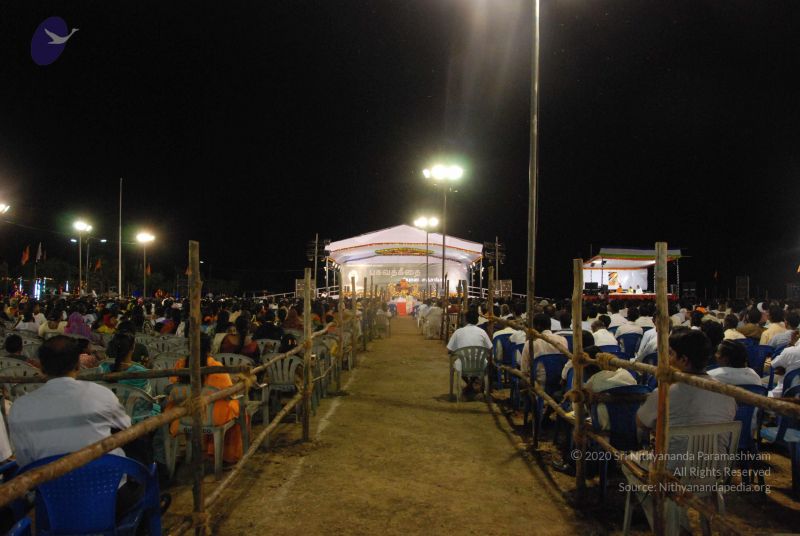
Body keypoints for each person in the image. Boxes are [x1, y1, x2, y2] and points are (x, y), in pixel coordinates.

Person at [625, 329, 736, 534]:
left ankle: (673, 525)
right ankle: (677, 520)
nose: (666, 359)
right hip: (715, 471)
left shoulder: (665, 393)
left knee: (628, 461)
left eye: (671, 354)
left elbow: (640, 422)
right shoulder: (726, 392)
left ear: (683, 360)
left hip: (673, 472)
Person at [167, 335, 244, 463]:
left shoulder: (181, 364)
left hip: (184, 416)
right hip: (211, 417)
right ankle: (223, 453)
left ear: (189, 347)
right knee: (238, 408)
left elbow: (173, 388)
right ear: (209, 348)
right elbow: (229, 392)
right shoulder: (215, 366)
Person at [447, 307, 492, 396]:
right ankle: (471, 386)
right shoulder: (482, 332)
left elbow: (449, 350)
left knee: (458, 363)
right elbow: (490, 348)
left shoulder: (458, 332)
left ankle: (469, 386)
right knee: (480, 363)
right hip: (480, 365)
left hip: (463, 366)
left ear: (466, 319)